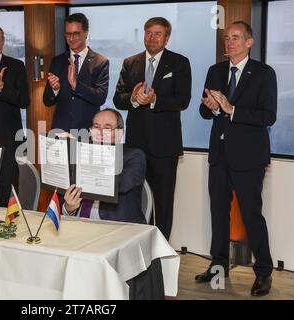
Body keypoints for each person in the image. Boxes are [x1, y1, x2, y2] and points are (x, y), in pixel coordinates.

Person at [195, 21, 276, 297]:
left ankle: (263, 272)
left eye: (236, 38)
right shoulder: (215, 71)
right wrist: (211, 108)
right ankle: (219, 266)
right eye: (226, 38)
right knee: (218, 213)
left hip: (249, 157)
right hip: (219, 155)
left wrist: (231, 109)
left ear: (249, 42)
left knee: (251, 215)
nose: (229, 43)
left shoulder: (265, 74)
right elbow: (205, 113)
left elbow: (268, 117)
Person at [113, 17, 192, 239]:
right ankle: (139, 247)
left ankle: (161, 250)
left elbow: (182, 100)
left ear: (167, 38)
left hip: (165, 147)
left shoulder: (179, 63)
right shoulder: (130, 62)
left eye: (158, 34)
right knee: (135, 199)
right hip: (136, 147)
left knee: (164, 203)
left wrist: (155, 98)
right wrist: (135, 99)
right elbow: (118, 99)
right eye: (148, 33)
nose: (152, 38)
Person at [62, 108, 146, 224]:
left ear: (120, 133)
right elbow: (68, 203)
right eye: (96, 127)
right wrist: (69, 207)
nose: (100, 133)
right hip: (78, 227)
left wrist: (88, 152)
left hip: (118, 229)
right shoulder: (79, 156)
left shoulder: (134, 156)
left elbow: (119, 185)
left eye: (107, 128)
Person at [43, 13, 109, 133]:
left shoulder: (100, 62)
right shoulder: (57, 61)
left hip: (88, 131)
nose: (71, 38)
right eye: (68, 34)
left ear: (86, 33)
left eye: (76, 34)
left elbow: (100, 98)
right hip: (60, 130)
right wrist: (55, 89)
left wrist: (76, 85)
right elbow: (47, 101)